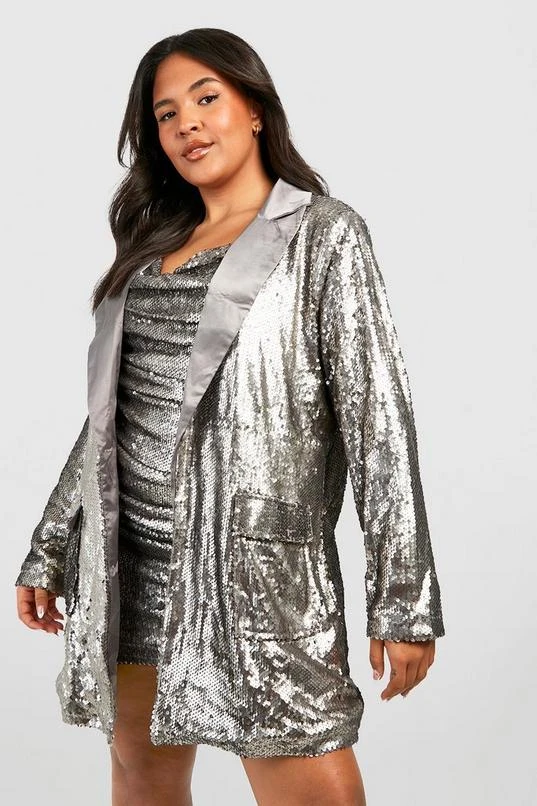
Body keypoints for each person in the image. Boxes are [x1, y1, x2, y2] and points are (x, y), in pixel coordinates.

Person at [15, 27, 445, 806]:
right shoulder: (152, 246)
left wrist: (404, 599)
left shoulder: (321, 234)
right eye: (165, 114)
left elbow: (378, 421)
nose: (187, 123)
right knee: (140, 776)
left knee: (308, 779)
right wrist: (50, 546)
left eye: (206, 98)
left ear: (253, 108)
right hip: (129, 564)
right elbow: (110, 416)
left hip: (251, 569)